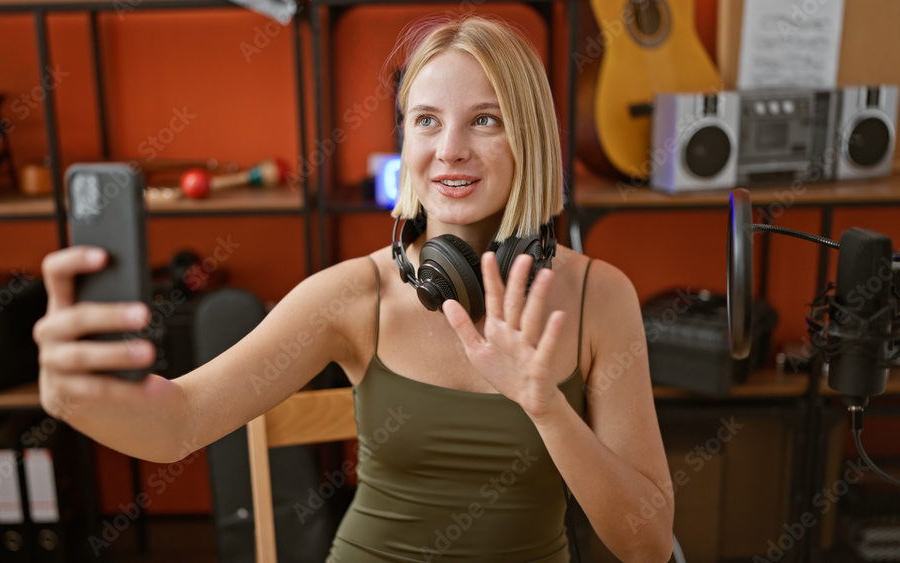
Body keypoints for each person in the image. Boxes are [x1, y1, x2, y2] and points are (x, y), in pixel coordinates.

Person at [34, 14, 674, 563]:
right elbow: (178, 422)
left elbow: (646, 545)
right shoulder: (354, 294)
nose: (448, 150)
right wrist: (72, 395)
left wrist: (546, 407)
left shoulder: (598, 297)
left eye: (485, 120)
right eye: (426, 120)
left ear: (530, 138)